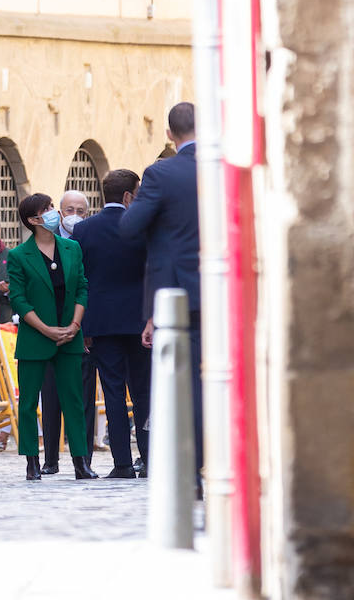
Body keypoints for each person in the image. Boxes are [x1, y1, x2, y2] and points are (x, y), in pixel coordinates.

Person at [120, 101, 202, 483]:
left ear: (169, 134)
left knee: (184, 383)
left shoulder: (161, 173)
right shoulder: (225, 169)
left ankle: (189, 466)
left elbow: (129, 227)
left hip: (177, 294)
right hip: (222, 291)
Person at [6, 193, 96, 481]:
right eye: (46, 210)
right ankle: (32, 462)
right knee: (30, 401)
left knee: (74, 399)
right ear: (33, 220)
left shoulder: (72, 248)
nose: (52, 212)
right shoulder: (19, 255)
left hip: (70, 335)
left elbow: (82, 287)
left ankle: (81, 462)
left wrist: (74, 325)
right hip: (35, 337)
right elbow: (18, 299)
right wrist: (45, 329)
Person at [74, 168, 151, 479]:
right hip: (139, 320)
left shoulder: (83, 230)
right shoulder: (143, 227)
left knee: (113, 392)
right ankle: (149, 458)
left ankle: (121, 463)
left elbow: (81, 279)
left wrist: (84, 325)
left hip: (102, 322)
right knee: (144, 392)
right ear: (129, 195)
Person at [40, 189, 97, 474]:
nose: (75, 215)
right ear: (60, 211)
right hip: (48, 327)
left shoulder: (88, 240)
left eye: (81, 211)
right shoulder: (45, 238)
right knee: (51, 397)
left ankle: (83, 458)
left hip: (79, 327)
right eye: (70, 209)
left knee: (82, 396)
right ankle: (50, 459)